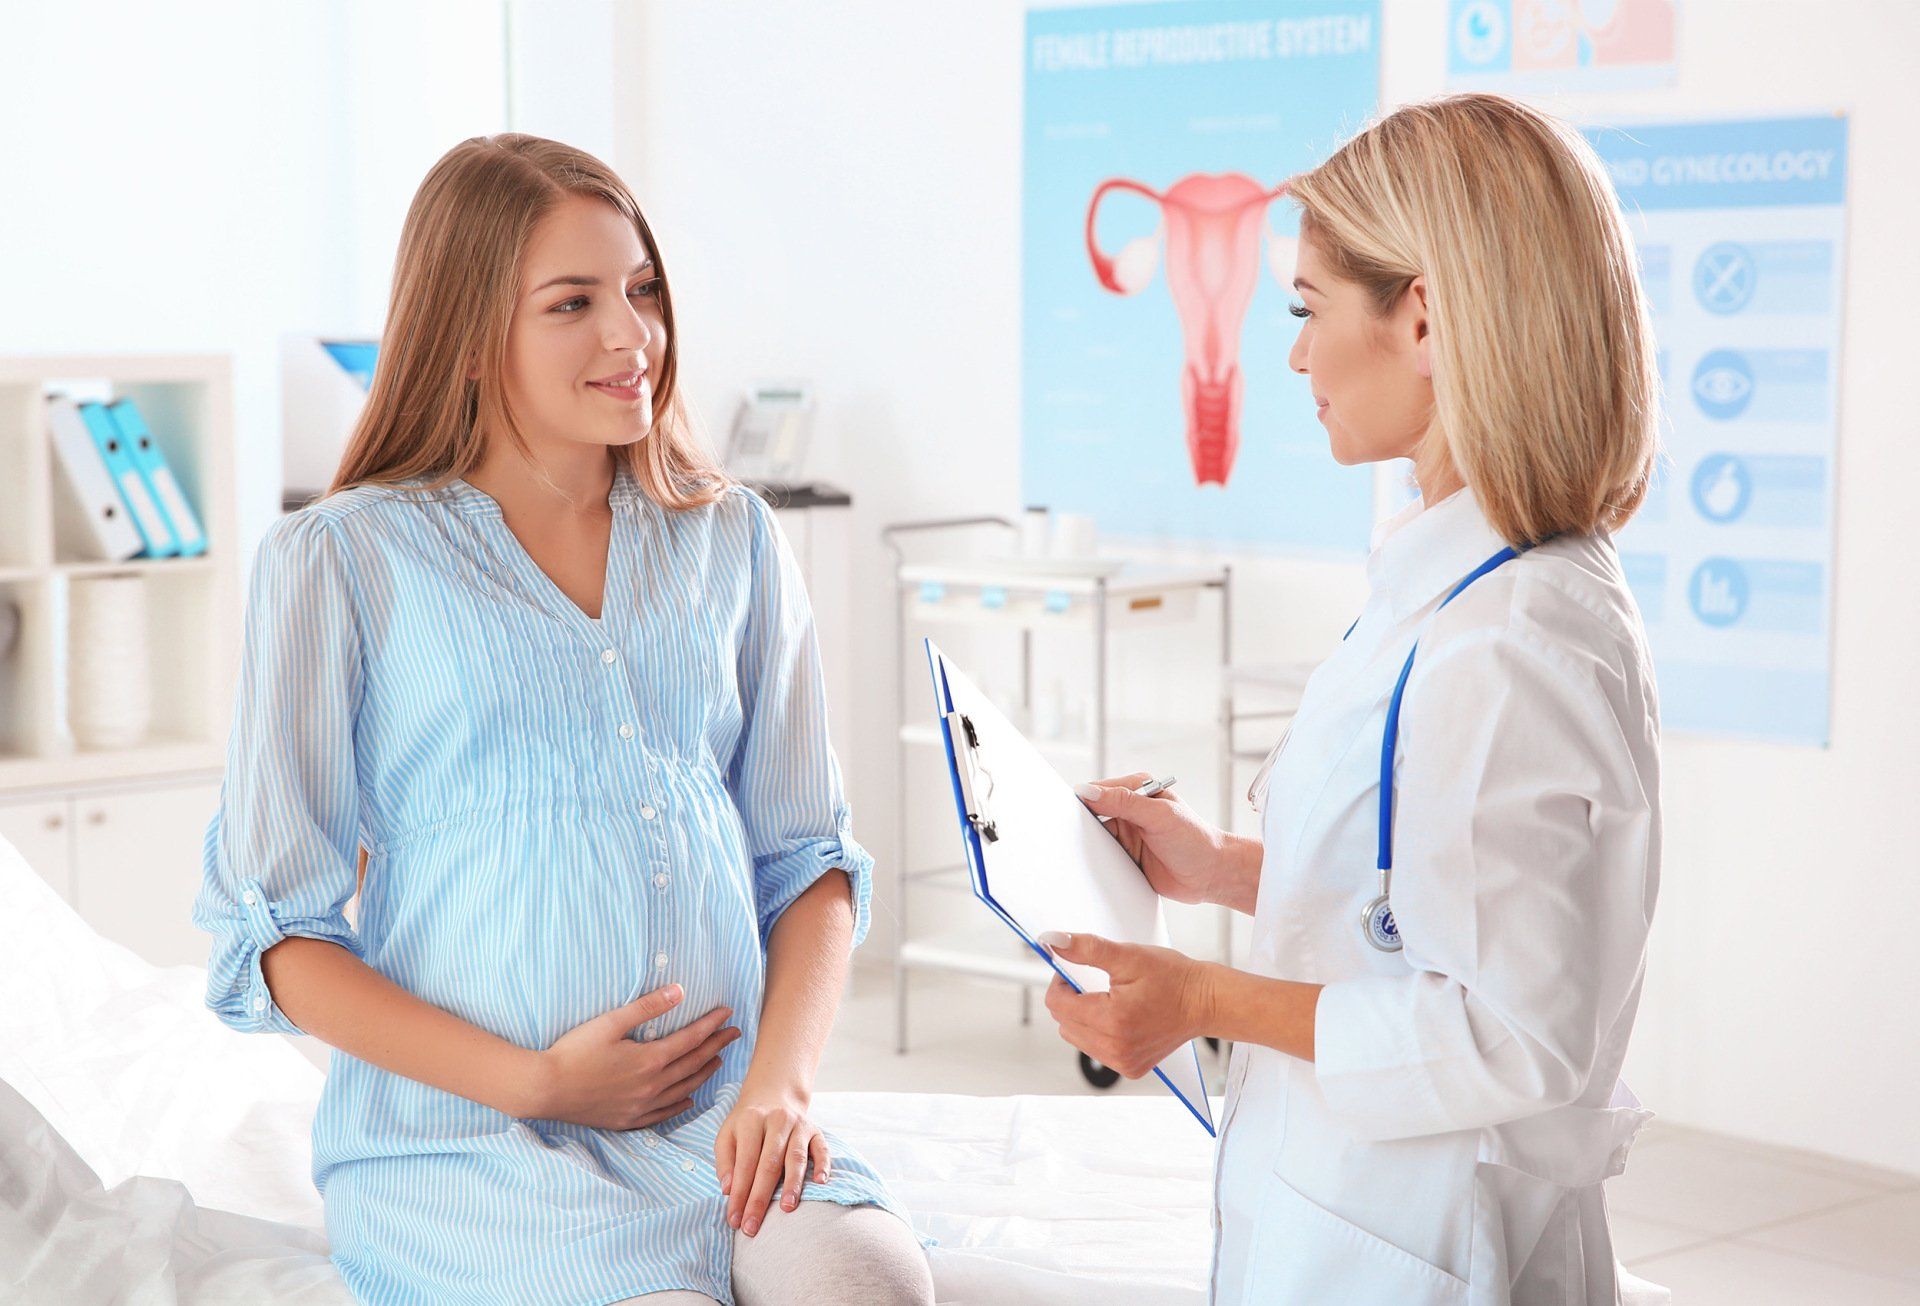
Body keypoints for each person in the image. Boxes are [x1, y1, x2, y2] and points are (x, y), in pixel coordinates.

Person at [192, 133, 933, 1306]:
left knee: (869, 1286)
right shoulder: (338, 560)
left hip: (721, 1125)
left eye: (641, 291)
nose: (630, 334)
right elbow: (275, 934)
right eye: (572, 302)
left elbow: (809, 862)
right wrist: (537, 1083)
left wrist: (779, 1092)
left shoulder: (729, 536)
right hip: (469, 1143)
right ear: (471, 333)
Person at [1040, 93, 1666, 1305]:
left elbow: (1515, 1034)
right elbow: (1416, 905)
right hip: (1353, 1213)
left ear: (1422, 318)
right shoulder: (1452, 580)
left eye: (1307, 308)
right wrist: (1219, 864)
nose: (1290, 353)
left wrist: (1203, 999)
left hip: (1421, 1242)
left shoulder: (1513, 638)